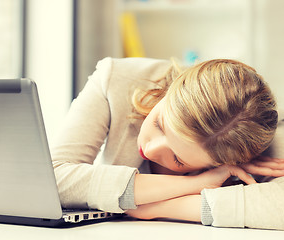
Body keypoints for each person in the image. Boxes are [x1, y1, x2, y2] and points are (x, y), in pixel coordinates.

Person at [51, 57, 284, 230]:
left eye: (178, 159)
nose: (150, 149)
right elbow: (52, 178)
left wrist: (158, 208)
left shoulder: (257, 131)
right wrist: (198, 183)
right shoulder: (115, 79)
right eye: (160, 123)